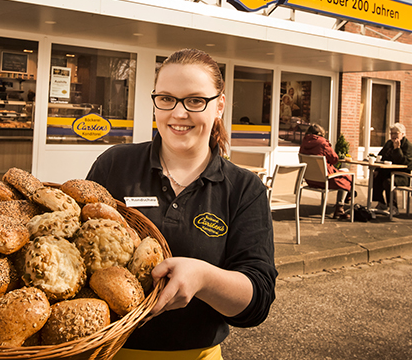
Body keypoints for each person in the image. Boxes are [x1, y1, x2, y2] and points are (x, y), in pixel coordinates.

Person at [85, 48, 277, 359]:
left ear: (219, 106)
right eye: (166, 98)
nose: (178, 113)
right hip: (107, 353)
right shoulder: (114, 165)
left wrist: (204, 278)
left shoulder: (244, 189)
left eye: (195, 100)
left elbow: (257, 301)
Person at [298, 123, 354, 219]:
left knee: (343, 174)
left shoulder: (304, 143)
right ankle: (340, 208)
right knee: (347, 177)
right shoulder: (323, 143)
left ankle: (347, 196)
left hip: (310, 180)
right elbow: (334, 159)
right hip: (325, 180)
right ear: (320, 134)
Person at [372, 122, 412, 214]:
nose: (393, 136)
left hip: (406, 175)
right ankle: (381, 203)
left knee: (388, 181)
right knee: (376, 176)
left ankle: (393, 207)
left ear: (402, 134)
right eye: (391, 133)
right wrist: (377, 169)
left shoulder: (408, 146)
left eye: (396, 133)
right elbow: (381, 157)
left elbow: (404, 162)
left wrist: (397, 149)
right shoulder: (389, 143)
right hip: (391, 172)